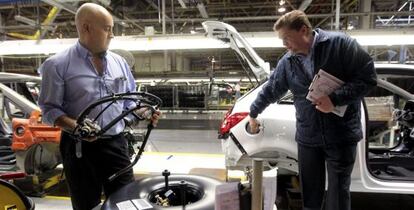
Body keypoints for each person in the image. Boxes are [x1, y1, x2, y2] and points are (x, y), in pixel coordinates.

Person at [248, 10, 377, 210]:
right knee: (310, 195)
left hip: (341, 134)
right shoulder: (288, 62)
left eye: (287, 39)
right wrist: (253, 112)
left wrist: (334, 99)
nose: (284, 45)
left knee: (338, 195)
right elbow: (272, 89)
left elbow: (368, 78)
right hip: (309, 136)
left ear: (304, 30)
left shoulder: (340, 45)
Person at [38, 3, 160, 210]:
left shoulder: (119, 62)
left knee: (125, 201)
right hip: (79, 149)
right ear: (86, 28)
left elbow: (130, 102)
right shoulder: (57, 65)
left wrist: (143, 112)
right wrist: (76, 127)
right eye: (107, 28)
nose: (112, 34)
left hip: (116, 145)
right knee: (86, 204)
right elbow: (49, 110)